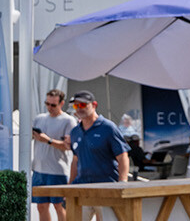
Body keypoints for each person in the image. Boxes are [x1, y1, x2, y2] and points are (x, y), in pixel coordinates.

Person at [67, 91, 130, 220]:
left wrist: (122, 183)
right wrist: (69, 186)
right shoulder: (75, 131)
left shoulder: (108, 127)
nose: (79, 109)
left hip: (106, 188)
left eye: (83, 105)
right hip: (82, 188)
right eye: (76, 106)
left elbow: (122, 156)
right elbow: (75, 160)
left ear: (94, 105)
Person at [32, 89, 78, 221]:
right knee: (41, 206)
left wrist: (48, 140)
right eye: (47, 104)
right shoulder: (39, 118)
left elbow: (68, 146)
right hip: (39, 169)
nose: (49, 107)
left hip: (57, 170)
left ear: (61, 103)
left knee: (59, 206)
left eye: (53, 105)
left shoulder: (68, 120)